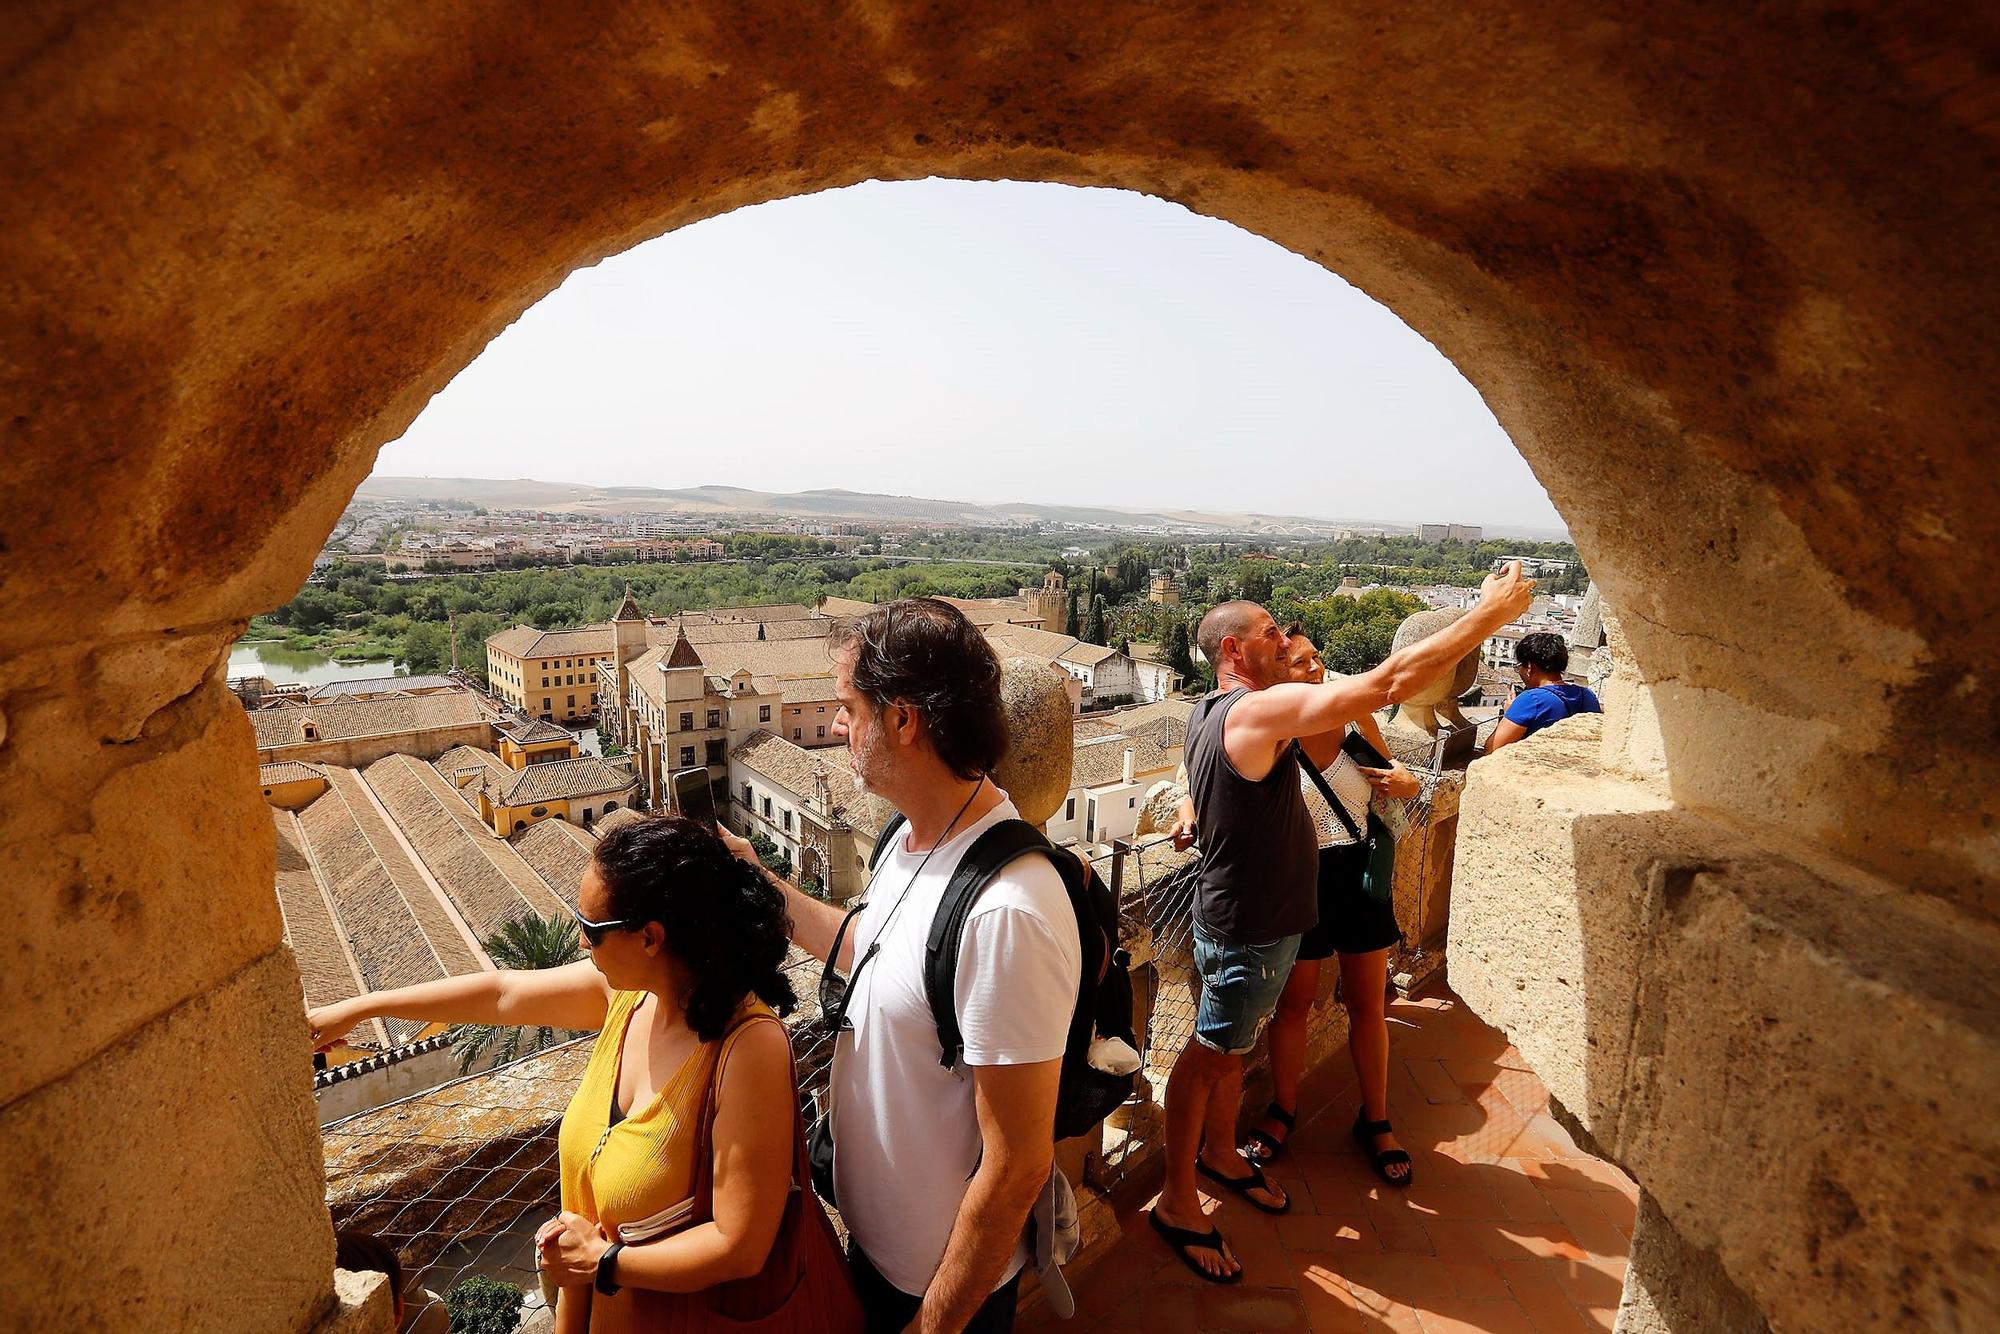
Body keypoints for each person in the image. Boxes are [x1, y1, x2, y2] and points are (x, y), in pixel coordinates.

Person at [1150, 562, 1536, 1284]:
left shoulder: (1208, 710)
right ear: (1234, 651)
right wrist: (1490, 614)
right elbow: (1387, 686)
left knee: (1228, 1052)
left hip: (1248, 917)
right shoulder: (1255, 712)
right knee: (1208, 1058)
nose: (1283, 642)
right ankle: (1176, 1201)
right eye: (1269, 634)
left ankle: (1222, 1154)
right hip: (1250, 927)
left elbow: (1218, 776)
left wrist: (1193, 809)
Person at [720, 597, 1080, 1334]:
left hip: (937, 1293)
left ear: (904, 719)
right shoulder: (909, 839)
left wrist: (935, 1325)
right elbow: (872, 950)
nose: (836, 727)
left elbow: (1017, 1168)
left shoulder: (1008, 911)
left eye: (849, 707)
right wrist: (758, 882)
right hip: (876, 1259)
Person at [309, 815, 802, 1333]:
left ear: (651, 938)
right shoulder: (628, 998)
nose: (580, 941)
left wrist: (604, 1261)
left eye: (590, 928)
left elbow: (739, 1246)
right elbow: (504, 994)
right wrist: (359, 1009)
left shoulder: (748, 1049)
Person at [1231, 631, 1422, 1186]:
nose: (1318, 668)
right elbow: (1208, 777)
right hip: (1298, 878)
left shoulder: (1356, 717)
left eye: (1319, 656)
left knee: (1368, 1002)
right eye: (1302, 661)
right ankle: (1283, 1110)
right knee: (1295, 1004)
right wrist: (1190, 808)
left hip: (1357, 874)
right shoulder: (1270, 729)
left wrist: (1407, 781)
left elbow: (1393, 778)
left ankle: (1377, 1118)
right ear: (1277, 675)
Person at [1484, 631, 1601, 755]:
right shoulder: (1587, 695)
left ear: (1529, 667)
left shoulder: (1531, 700)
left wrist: (1510, 713)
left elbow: (1491, 750)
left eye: (1518, 667)